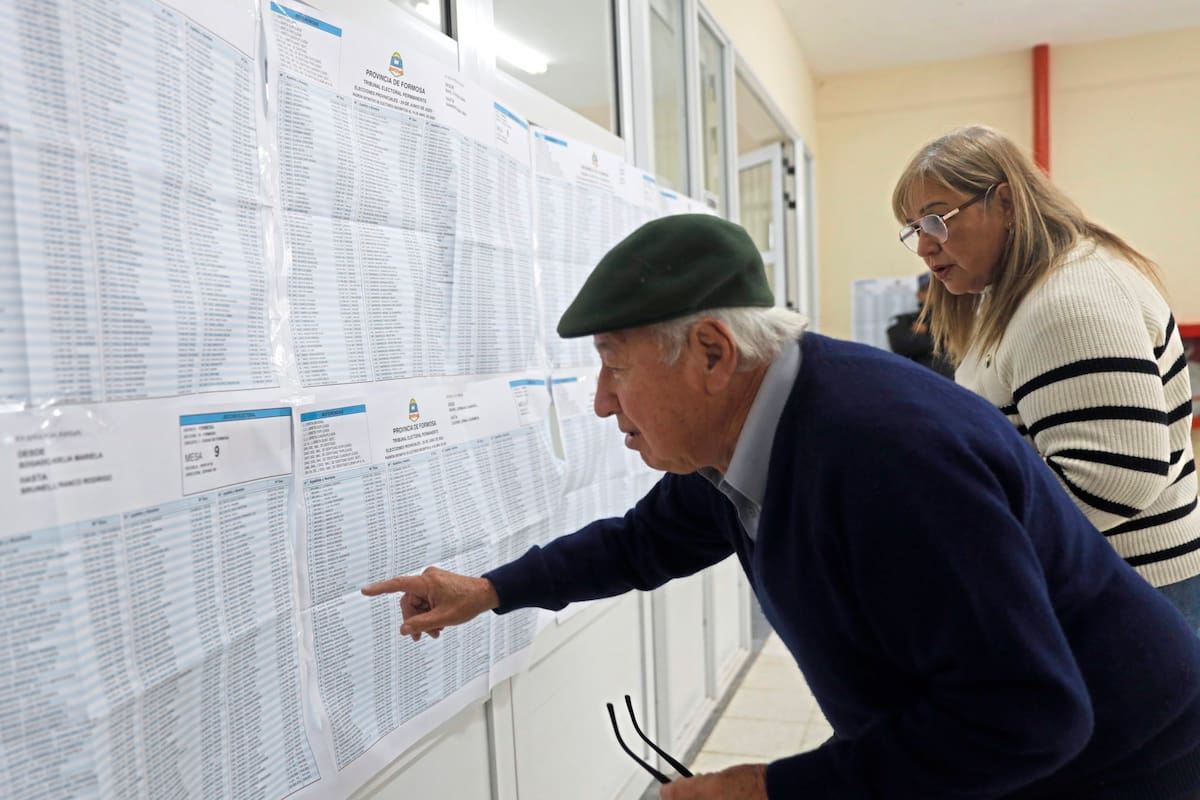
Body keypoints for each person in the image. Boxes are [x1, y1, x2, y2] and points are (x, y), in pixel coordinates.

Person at [363, 215, 1200, 799]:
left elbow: (1028, 714)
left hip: (1117, 766)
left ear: (713, 354)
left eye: (614, 366)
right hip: (1013, 752)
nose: (601, 403)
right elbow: (641, 542)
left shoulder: (884, 460)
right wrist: (493, 589)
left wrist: (773, 788)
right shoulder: (755, 431)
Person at [892, 125, 1200, 632]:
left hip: (1125, 593)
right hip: (1103, 584)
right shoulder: (1018, 291)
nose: (925, 246)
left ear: (1006, 203)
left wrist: (956, 526)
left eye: (936, 220)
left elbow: (1111, 482)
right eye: (913, 229)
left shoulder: (1068, 301)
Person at [886, 272, 955, 378]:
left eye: (940, 289)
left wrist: (926, 333)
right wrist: (942, 341)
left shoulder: (958, 318)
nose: (936, 293)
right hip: (923, 380)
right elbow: (900, 343)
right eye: (929, 289)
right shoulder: (907, 320)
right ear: (919, 295)